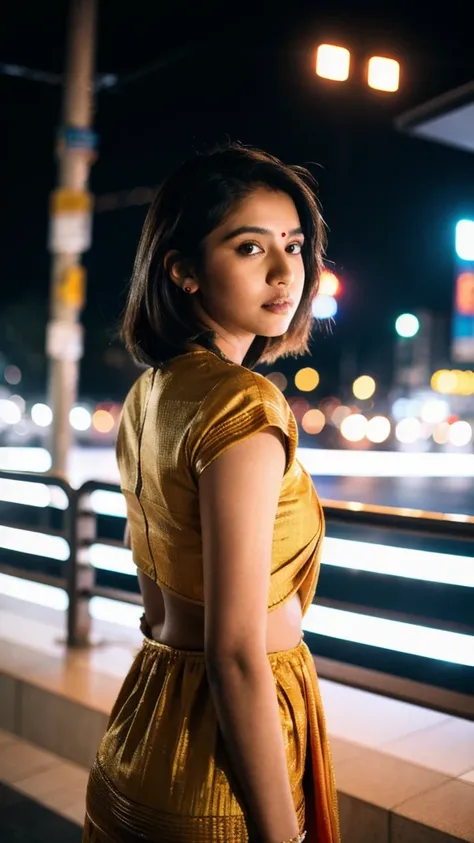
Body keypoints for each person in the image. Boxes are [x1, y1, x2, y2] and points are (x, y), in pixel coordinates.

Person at [82, 143, 340, 843]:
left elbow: (161, 593)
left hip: (147, 716)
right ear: (185, 270)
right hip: (221, 759)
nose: (288, 271)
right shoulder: (243, 406)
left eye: (293, 244)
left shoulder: (150, 393)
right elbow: (234, 651)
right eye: (250, 247)